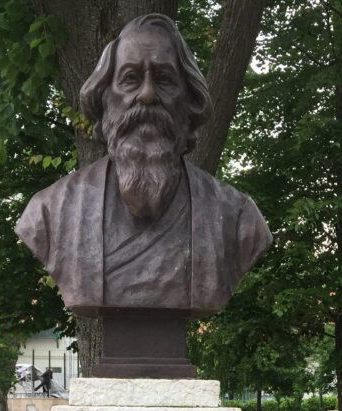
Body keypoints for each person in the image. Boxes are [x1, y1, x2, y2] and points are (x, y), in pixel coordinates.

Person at [15, 14, 271, 316]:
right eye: (130, 79)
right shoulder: (50, 211)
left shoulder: (237, 216)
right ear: (105, 96)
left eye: (164, 80)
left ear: (189, 101)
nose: (147, 94)